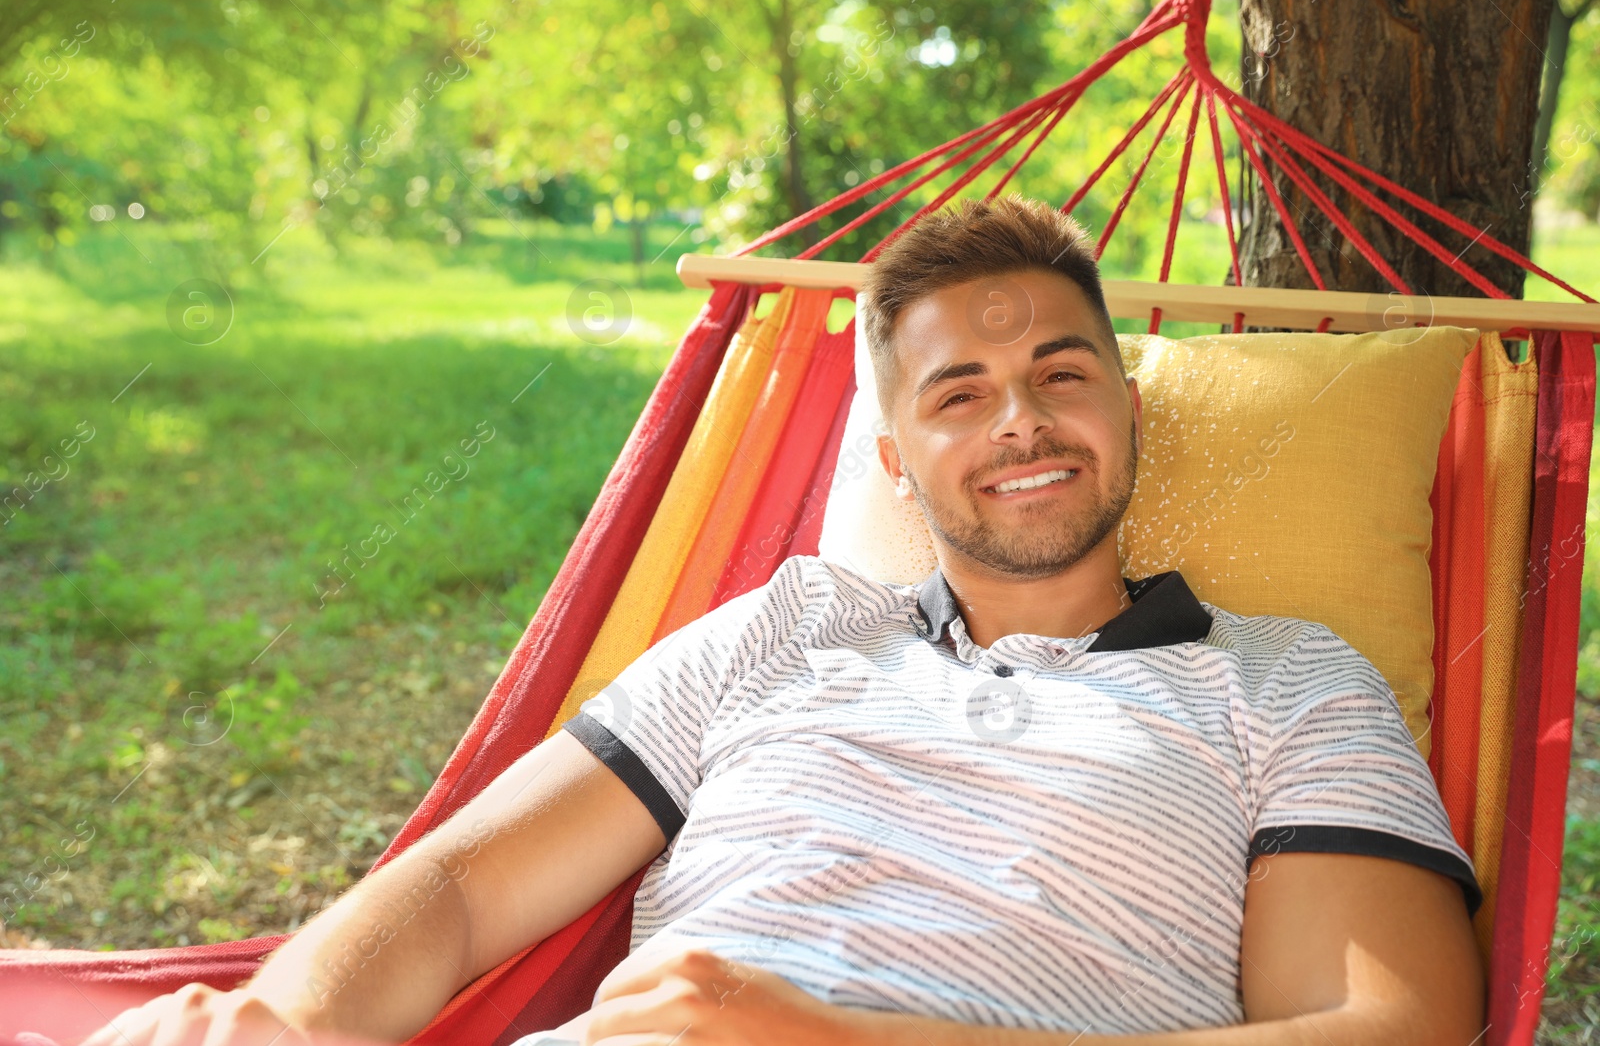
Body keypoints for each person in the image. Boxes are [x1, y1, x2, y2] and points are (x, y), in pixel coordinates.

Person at [81, 195, 1485, 1046]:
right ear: (890, 459)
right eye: (957, 395)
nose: (1022, 423)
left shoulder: (1288, 681)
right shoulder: (785, 629)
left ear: (1128, 409)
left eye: (1064, 374)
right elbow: (454, 888)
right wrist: (286, 1014)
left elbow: (1392, 1031)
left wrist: (836, 1040)